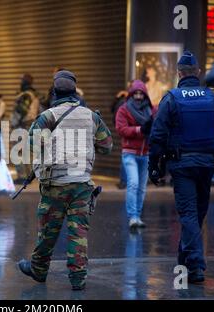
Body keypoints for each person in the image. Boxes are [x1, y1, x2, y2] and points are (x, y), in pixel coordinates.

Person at [17, 70, 113, 290]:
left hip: (55, 184)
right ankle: (78, 279)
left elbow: (32, 144)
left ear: (54, 92)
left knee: (48, 231)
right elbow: (107, 146)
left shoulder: (48, 116)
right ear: (74, 92)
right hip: (82, 184)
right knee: (78, 232)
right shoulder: (91, 116)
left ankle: (39, 270)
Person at [148, 51, 214, 283]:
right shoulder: (213, 98)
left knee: (189, 214)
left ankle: (194, 265)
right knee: (197, 214)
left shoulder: (172, 98)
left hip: (182, 164)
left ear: (179, 73)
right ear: (198, 72)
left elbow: (157, 135)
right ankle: (186, 260)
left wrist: (153, 165)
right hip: (207, 165)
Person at [116, 80, 155, 229]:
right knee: (133, 183)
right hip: (130, 153)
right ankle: (132, 217)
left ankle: (137, 216)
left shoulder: (151, 110)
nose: (138, 96)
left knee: (142, 187)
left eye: (141, 93)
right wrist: (139, 130)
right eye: (136, 93)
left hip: (146, 153)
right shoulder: (124, 109)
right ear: (131, 94)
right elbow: (121, 129)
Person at [10, 74, 41, 183]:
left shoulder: (26, 95)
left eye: (21, 80)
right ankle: (28, 176)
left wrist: (14, 123)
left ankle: (22, 176)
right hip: (31, 125)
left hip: (22, 125)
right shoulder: (35, 94)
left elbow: (21, 110)